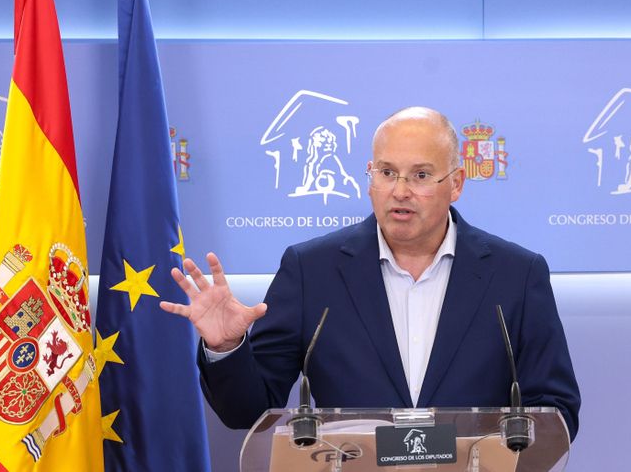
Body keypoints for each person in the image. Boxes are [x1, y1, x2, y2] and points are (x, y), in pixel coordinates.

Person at [160, 107, 581, 441]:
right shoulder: (311, 271)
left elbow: (556, 409)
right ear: (370, 177)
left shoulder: (517, 274)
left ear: (456, 184)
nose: (400, 190)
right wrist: (228, 347)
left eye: (420, 175)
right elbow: (247, 413)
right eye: (386, 172)